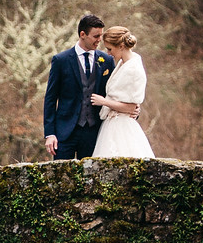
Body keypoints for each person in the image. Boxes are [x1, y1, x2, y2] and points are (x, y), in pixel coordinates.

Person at [43, 13, 136, 160]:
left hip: (95, 132)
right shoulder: (61, 60)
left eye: (101, 35)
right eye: (96, 36)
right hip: (64, 132)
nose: (100, 40)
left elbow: (117, 90)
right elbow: (50, 98)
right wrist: (50, 134)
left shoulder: (107, 60)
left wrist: (131, 108)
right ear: (82, 34)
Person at [89, 26, 154, 158]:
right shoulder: (123, 64)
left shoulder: (134, 69)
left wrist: (104, 102)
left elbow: (131, 107)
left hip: (122, 127)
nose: (108, 53)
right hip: (112, 124)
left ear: (121, 46)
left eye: (110, 49)